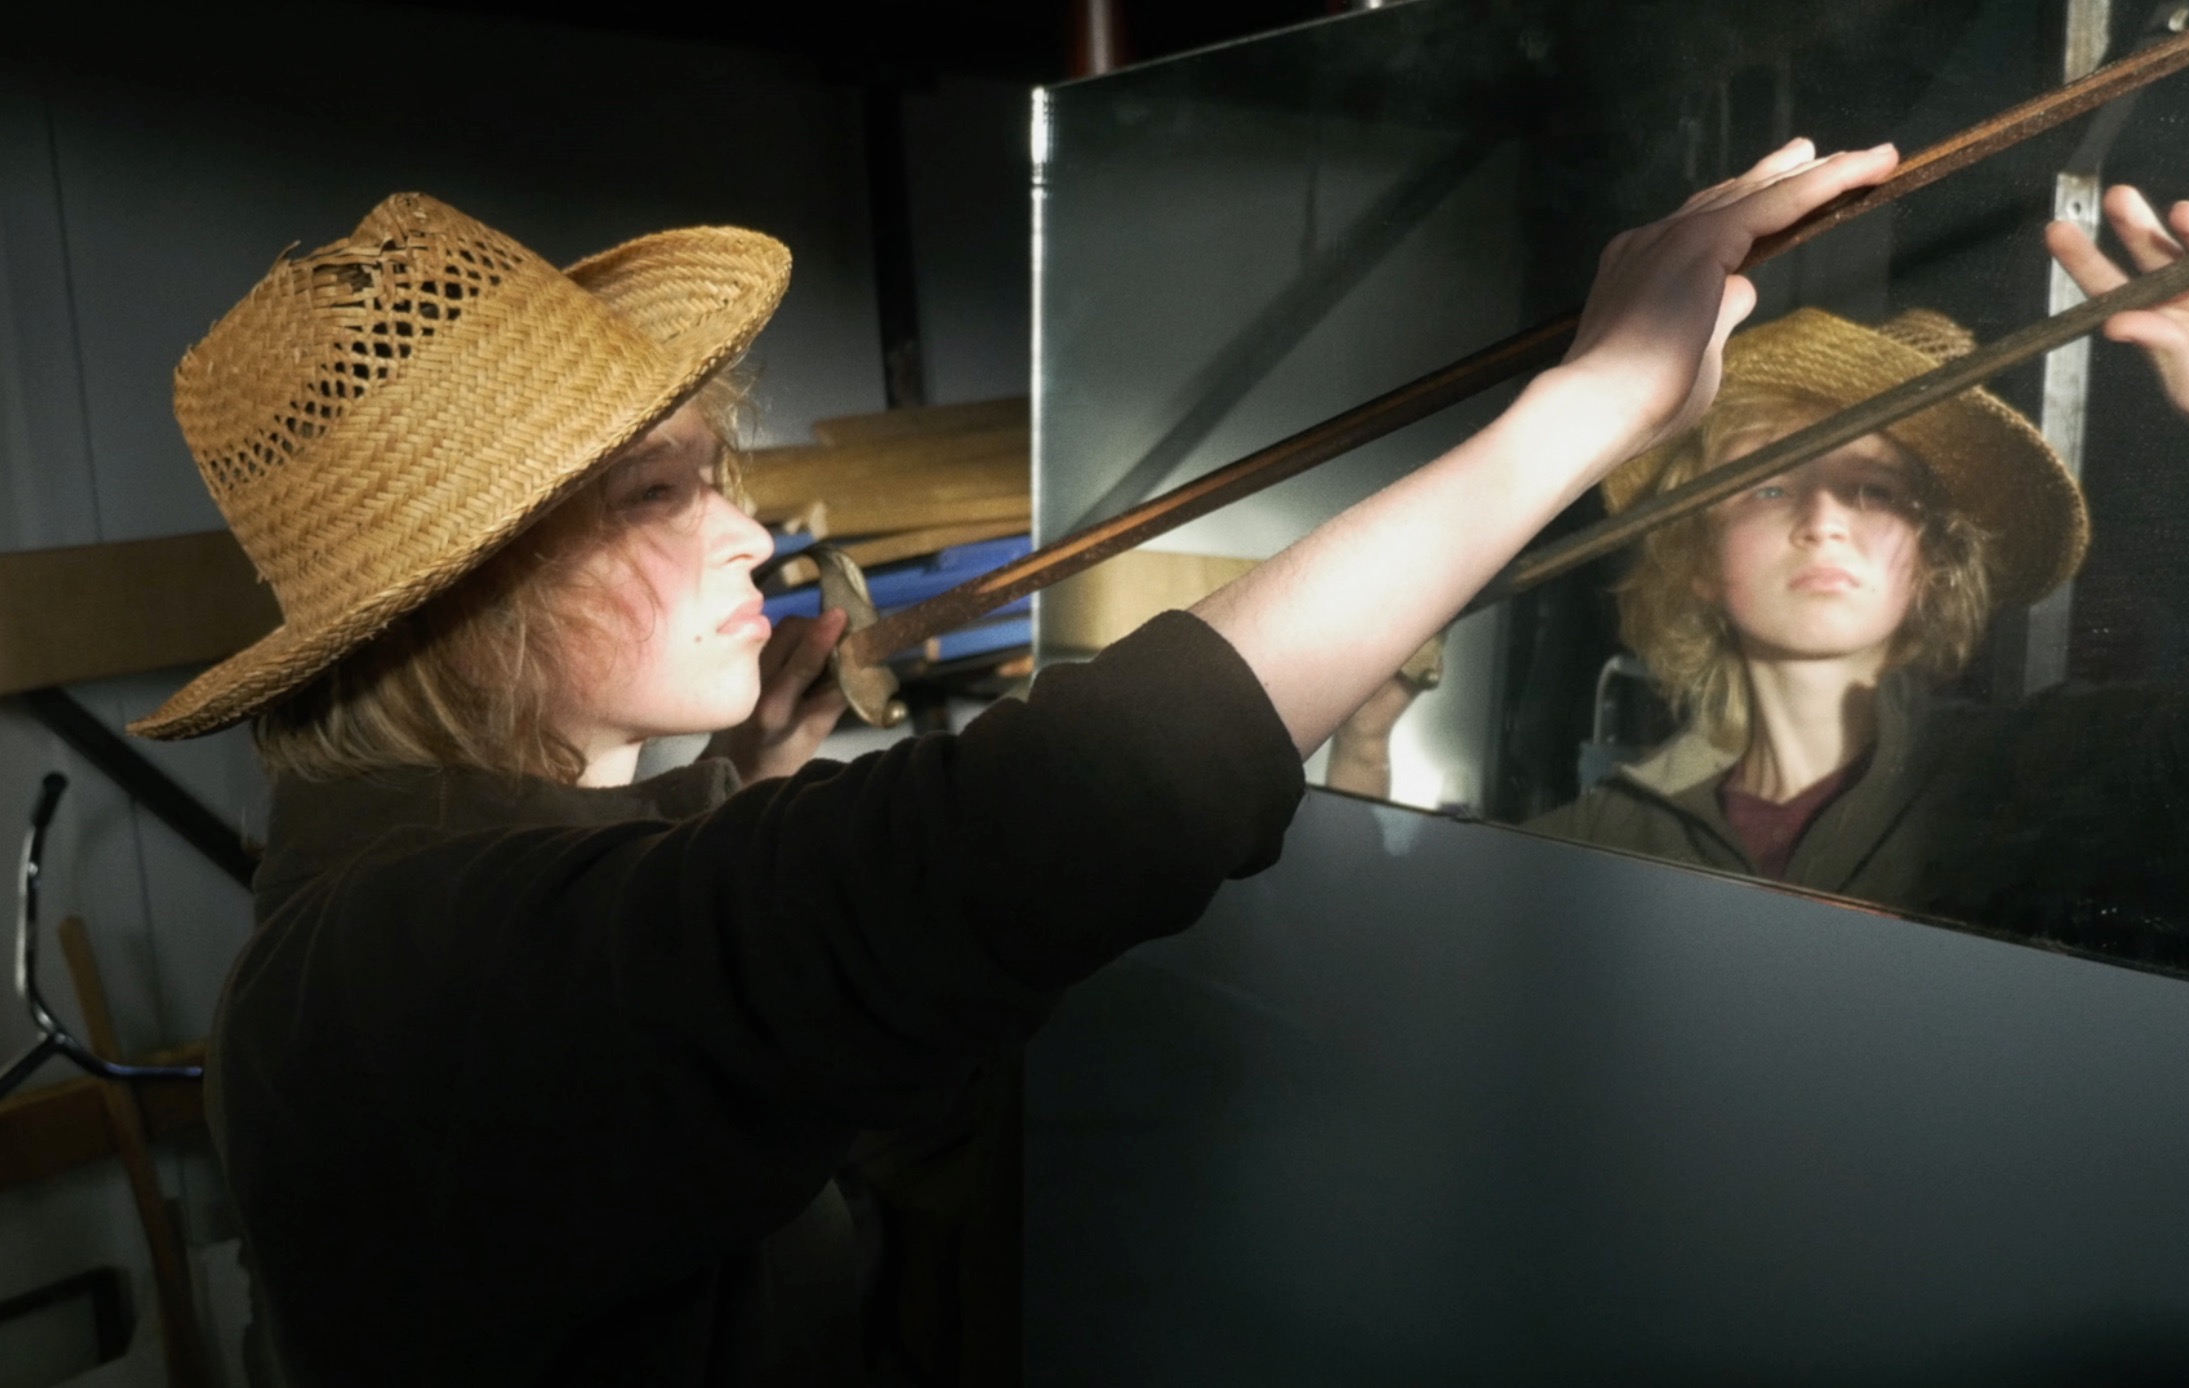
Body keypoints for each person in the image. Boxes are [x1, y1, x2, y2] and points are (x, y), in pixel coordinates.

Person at [131, 141, 1899, 1382]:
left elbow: (693, 1032)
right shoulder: (399, 967)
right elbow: (1047, 820)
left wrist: (745, 789)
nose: (746, 532)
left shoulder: (441, 896)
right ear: (467, 599)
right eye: (657, 493)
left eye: (711, 474)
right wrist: (1585, 410)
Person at [1531, 186, 2189, 957]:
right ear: (1696, 556)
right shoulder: (1594, 839)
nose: (1823, 520)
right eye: (1768, 487)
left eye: (1873, 490)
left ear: (1934, 560)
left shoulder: (2042, 782)